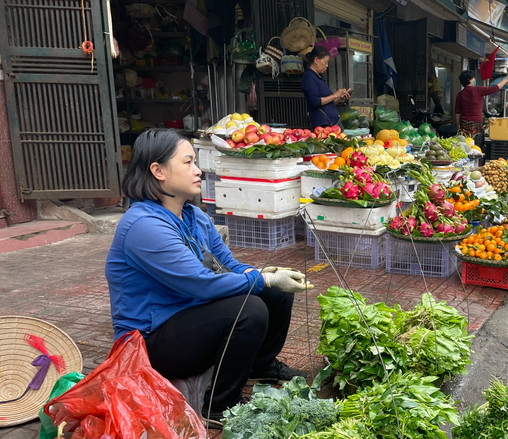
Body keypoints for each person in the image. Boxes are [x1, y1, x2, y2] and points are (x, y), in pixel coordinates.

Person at [105, 129, 311, 417]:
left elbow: (228, 266)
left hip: (188, 318)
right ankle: (220, 406)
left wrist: (264, 275)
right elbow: (202, 284)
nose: (198, 170)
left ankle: (260, 365)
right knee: (249, 309)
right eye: (188, 162)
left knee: (274, 292)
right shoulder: (144, 226)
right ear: (158, 170)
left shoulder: (195, 217)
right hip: (149, 343)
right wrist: (260, 279)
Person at [454, 69, 508, 150]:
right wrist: (506, 79)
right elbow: (495, 88)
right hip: (476, 124)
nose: (474, 79)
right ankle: (477, 161)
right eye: (473, 78)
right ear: (470, 80)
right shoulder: (478, 90)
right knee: (476, 147)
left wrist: (458, 126)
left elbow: (457, 113)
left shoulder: (460, 94)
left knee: (465, 146)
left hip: (464, 123)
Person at [302, 45, 351, 129]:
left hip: (334, 123)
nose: (327, 65)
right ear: (316, 60)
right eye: (325, 62)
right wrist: (335, 95)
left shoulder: (320, 77)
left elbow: (328, 103)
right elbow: (315, 102)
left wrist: (339, 97)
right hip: (323, 126)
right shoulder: (309, 77)